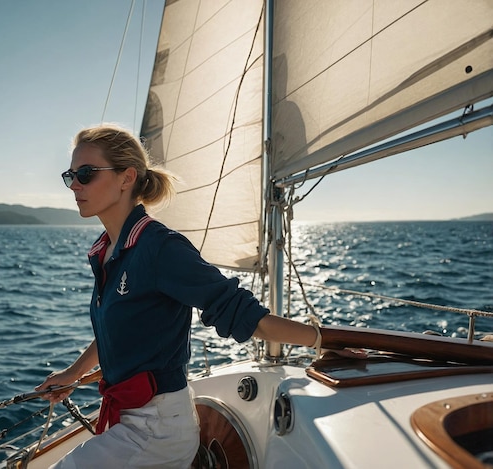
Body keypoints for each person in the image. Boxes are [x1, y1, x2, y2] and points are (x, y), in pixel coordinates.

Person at [36, 124, 342, 468]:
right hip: (130, 419)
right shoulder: (107, 251)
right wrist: (73, 373)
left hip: (157, 429)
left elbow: (244, 315)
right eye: (71, 175)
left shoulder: (159, 248)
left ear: (126, 178)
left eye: (86, 173)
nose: (75, 184)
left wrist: (323, 340)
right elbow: (118, 332)